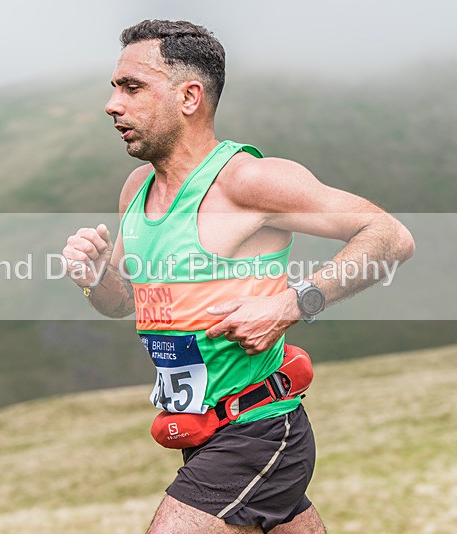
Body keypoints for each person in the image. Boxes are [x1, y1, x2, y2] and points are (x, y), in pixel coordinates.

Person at [61, 19, 415, 533]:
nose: (112, 104)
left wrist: (293, 304)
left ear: (189, 97)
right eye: (115, 87)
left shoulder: (247, 182)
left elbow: (388, 235)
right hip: (204, 431)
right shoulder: (137, 189)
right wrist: (95, 276)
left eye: (132, 87)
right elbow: (123, 302)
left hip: (260, 428)